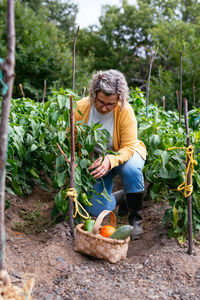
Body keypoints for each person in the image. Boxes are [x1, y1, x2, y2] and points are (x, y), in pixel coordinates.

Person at [74, 69, 146, 239]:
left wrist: (111, 159)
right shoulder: (80, 108)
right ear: (93, 95)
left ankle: (135, 218)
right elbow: (75, 143)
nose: (105, 107)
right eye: (101, 102)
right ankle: (120, 197)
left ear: (119, 100)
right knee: (95, 208)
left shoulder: (124, 111)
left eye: (111, 104)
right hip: (97, 160)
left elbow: (129, 147)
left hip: (125, 155)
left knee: (132, 170)